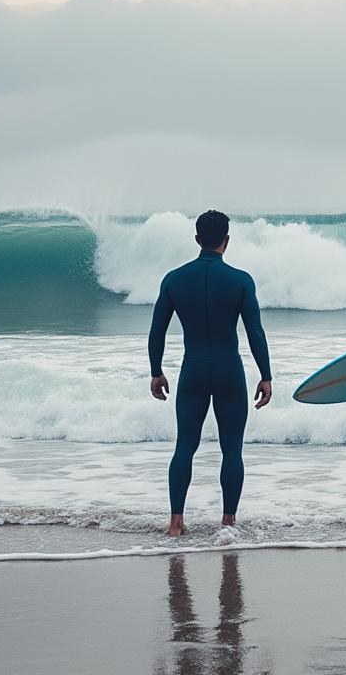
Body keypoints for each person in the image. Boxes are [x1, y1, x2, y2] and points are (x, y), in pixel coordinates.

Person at [148, 210, 272, 537]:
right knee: (232, 449)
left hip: (193, 371)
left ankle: (176, 522)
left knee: (185, 446)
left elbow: (157, 331)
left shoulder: (174, 279)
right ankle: (228, 522)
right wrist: (266, 375)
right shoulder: (241, 280)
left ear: (197, 239)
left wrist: (156, 371)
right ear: (226, 241)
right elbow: (255, 333)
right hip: (229, 370)